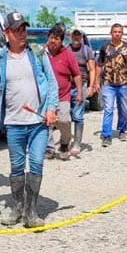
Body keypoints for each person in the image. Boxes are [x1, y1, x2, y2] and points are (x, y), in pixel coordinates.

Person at [0, 11, 58, 228]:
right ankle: (17, 208)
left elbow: (52, 84)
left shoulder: (38, 54)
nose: (22, 33)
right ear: (7, 33)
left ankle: (31, 212)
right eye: (17, 30)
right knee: (16, 167)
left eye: (23, 29)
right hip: (14, 124)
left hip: (39, 123)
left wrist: (51, 109)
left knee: (36, 163)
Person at [45, 23, 82, 160]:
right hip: (46, 96)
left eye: (57, 39)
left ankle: (65, 142)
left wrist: (79, 92)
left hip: (63, 96)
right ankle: (49, 148)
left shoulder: (68, 55)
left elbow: (77, 75)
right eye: (51, 38)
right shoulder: (43, 54)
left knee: (64, 120)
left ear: (62, 41)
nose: (53, 41)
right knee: (47, 122)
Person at [97, 23, 127, 147]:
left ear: (122, 33)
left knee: (123, 109)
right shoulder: (105, 48)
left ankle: (122, 130)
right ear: (111, 33)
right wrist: (96, 82)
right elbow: (99, 65)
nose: (117, 33)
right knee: (108, 109)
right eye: (115, 31)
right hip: (108, 83)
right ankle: (107, 135)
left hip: (123, 83)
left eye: (119, 32)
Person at [69, 27, 97, 156]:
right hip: (66, 86)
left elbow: (92, 69)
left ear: (81, 37)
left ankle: (77, 144)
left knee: (78, 116)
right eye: (74, 35)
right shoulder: (66, 50)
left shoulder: (87, 51)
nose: (76, 38)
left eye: (78, 36)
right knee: (65, 115)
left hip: (82, 85)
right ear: (70, 36)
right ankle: (66, 139)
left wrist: (91, 86)